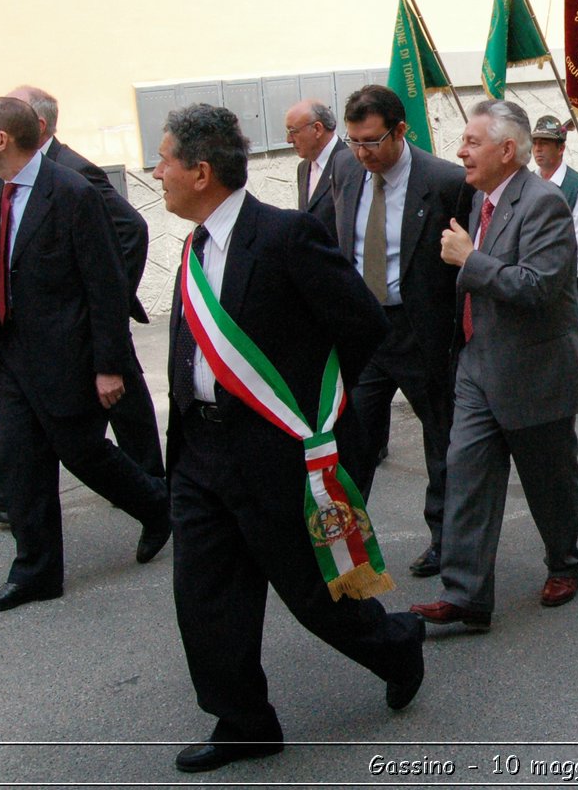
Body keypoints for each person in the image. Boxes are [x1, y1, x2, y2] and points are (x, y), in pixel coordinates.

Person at [154, 104, 422, 774]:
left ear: (201, 171)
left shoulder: (283, 236)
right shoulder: (194, 243)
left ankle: (395, 645)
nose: (154, 172)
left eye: (163, 160)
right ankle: (243, 721)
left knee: (315, 593)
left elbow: (361, 327)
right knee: (205, 596)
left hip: (272, 453)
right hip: (200, 453)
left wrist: (319, 417)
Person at [0, 97, 171, 615]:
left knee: (84, 453)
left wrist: (108, 365)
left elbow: (104, 284)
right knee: (21, 463)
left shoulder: (72, 191)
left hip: (63, 356)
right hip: (10, 358)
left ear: (2, 140)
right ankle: (35, 573)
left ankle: (159, 507)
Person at [409, 99, 578, 631]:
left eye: (472, 142)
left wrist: (471, 260)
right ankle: (466, 595)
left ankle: (564, 562)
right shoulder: (478, 200)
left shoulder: (544, 203)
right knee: (466, 478)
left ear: (506, 150)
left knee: (549, 482)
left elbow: (538, 286)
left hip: (534, 369)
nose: (460, 151)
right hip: (477, 365)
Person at [334, 85, 471, 581]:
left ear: (400, 130)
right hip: (364, 333)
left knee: (442, 438)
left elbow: (463, 262)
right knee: (352, 441)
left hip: (423, 332)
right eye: (353, 141)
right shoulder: (346, 171)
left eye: (371, 142)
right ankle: (346, 547)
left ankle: (446, 540)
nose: (362, 153)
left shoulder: (446, 181)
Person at [531, 114, 578, 322]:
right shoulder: (529, 181)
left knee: (573, 329)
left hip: (567, 278)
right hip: (535, 274)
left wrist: (559, 277)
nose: (538, 149)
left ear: (560, 148)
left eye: (545, 143)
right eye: (535, 143)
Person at [286, 99, 355, 243]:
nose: (288, 140)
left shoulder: (351, 164)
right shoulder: (303, 168)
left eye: (293, 132)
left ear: (317, 129)